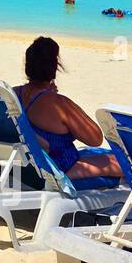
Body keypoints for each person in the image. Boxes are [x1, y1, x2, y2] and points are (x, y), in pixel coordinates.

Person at [14, 37, 122, 181]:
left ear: (28, 66)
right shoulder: (59, 104)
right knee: (123, 164)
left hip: (27, 164)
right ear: (54, 67)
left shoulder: (12, 95)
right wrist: (55, 99)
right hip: (58, 168)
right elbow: (95, 138)